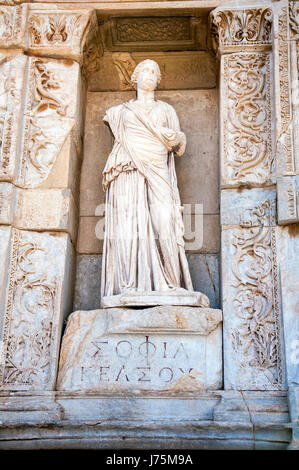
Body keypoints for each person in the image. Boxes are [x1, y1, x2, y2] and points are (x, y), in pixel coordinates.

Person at [101, 59, 209, 308]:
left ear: (158, 80)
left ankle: (171, 283)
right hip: (126, 171)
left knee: (165, 222)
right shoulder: (119, 112)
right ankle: (127, 286)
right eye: (145, 71)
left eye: (154, 72)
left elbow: (179, 147)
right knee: (128, 227)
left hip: (158, 170)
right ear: (135, 78)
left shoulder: (166, 110)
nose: (149, 75)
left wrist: (177, 138)